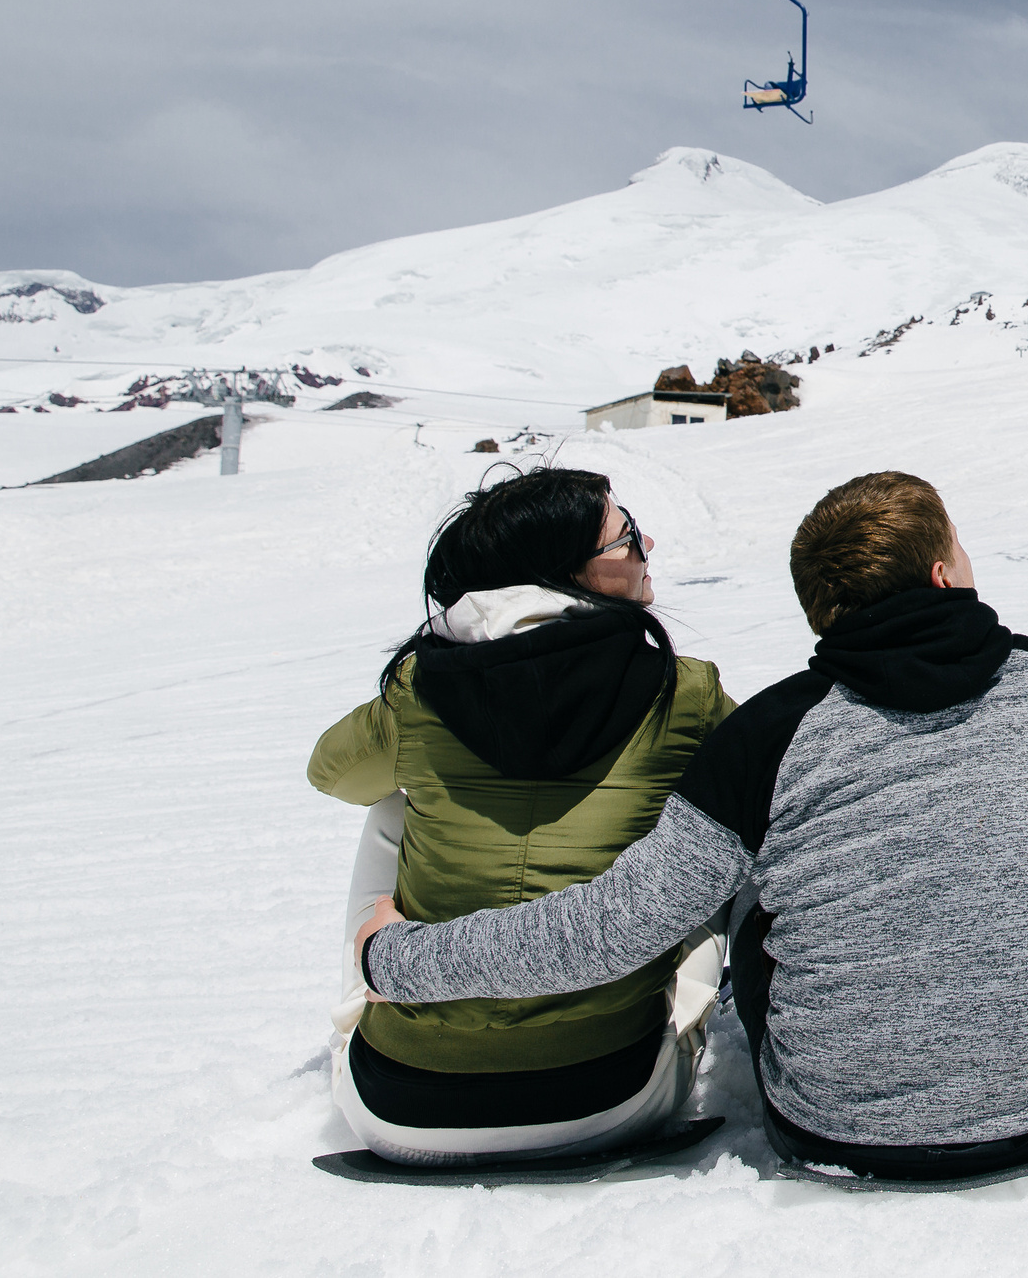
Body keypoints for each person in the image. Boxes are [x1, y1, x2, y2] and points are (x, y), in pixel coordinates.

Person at [357, 471, 1028, 1184]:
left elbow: (616, 924)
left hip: (827, 1122)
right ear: (941, 573)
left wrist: (397, 959)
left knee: (751, 854)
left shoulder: (766, 735)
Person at [309, 466, 736, 1165]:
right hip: (611, 1096)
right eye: (626, 535)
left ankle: (376, 972)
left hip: (402, 1104)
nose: (646, 541)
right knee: (712, 817)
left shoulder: (419, 691)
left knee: (391, 795)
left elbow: (331, 771)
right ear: (567, 573)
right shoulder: (683, 694)